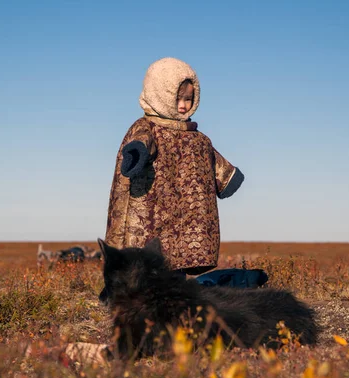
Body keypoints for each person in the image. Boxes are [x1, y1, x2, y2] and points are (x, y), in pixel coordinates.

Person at [104, 57, 244, 276]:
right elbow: (142, 142)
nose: (183, 105)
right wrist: (137, 152)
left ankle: (172, 298)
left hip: (185, 217)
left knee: (177, 262)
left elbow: (209, 156)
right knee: (147, 264)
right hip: (151, 212)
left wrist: (228, 176)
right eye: (177, 98)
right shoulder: (146, 128)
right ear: (159, 94)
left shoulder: (197, 138)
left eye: (188, 99)